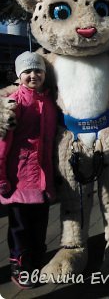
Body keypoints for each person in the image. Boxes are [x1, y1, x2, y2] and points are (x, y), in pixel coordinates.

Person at [0, 52, 58, 289]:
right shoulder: (13, 104)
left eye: (38, 71)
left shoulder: (50, 101)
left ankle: (35, 262)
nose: (33, 75)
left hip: (43, 178)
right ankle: (20, 264)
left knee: (39, 224)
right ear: (19, 75)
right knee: (20, 226)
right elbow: (2, 145)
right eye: (27, 72)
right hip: (19, 178)